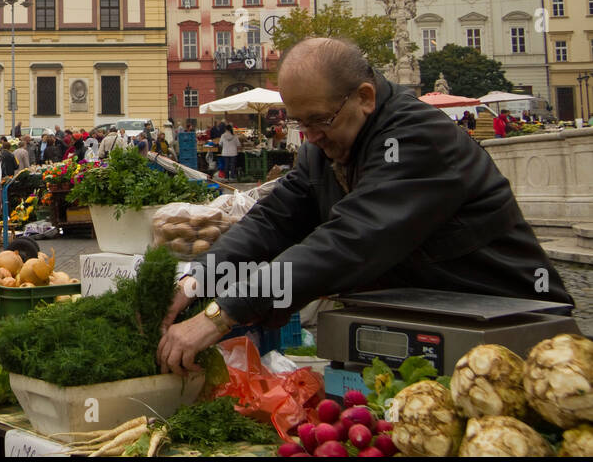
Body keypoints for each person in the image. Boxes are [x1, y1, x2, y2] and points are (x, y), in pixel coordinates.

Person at [156, 37, 574, 375]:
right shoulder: (330, 143)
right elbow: (273, 219)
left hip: (519, 338)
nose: (310, 136)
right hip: (423, 335)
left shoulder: (418, 138)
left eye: (319, 120)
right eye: (300, 123)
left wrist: (221, 313)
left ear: (365, 97)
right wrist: (195, 280)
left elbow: (350, 241)